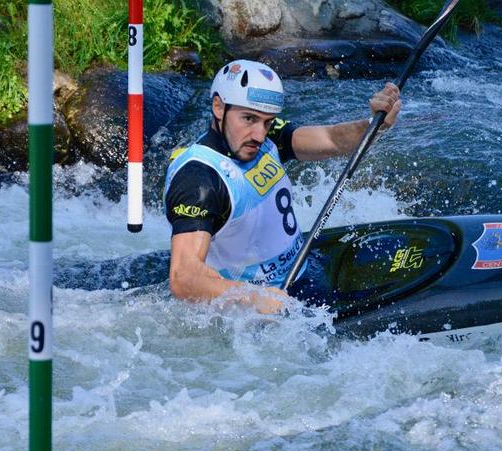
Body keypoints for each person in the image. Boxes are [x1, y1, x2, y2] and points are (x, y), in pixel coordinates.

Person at [164, 59, 402, 312]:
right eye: (249, 118)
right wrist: (254, 298)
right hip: (259, 308)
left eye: (267, 122)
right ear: (218, 107)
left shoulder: (265, 135)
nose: (259, 134)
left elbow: (331, 139)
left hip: (303, 269)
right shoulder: (199, 179)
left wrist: (373, 125)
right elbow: (184, 278)